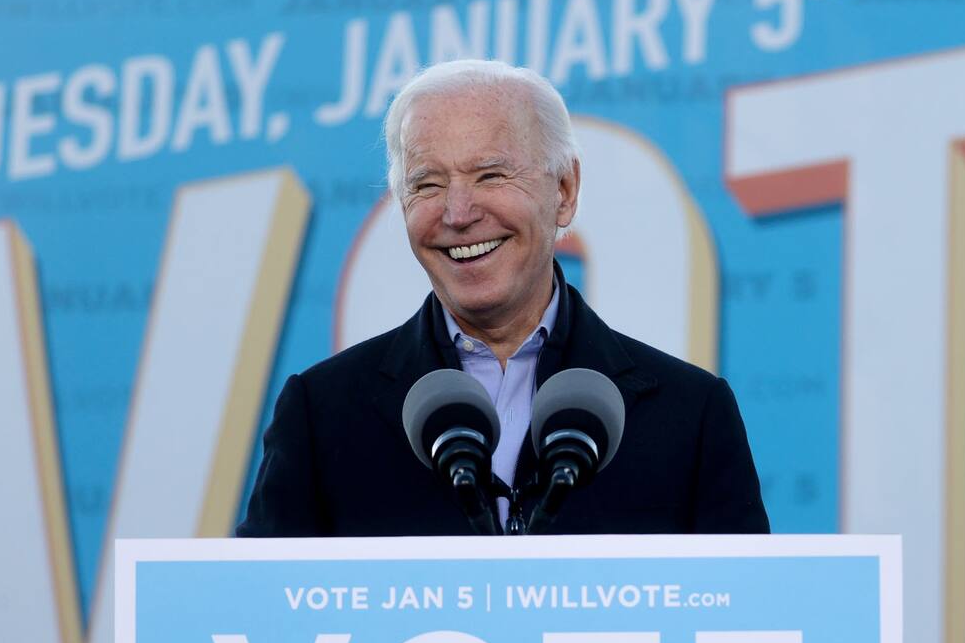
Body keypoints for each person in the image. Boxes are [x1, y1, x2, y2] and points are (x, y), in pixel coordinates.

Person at [237, 60, 768, 537]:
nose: (458, 213)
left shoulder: (691, 416)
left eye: (490, 175)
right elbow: (257, 618)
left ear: (564, 190)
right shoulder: (321, 414)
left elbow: (745, 621)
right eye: (427, 185)